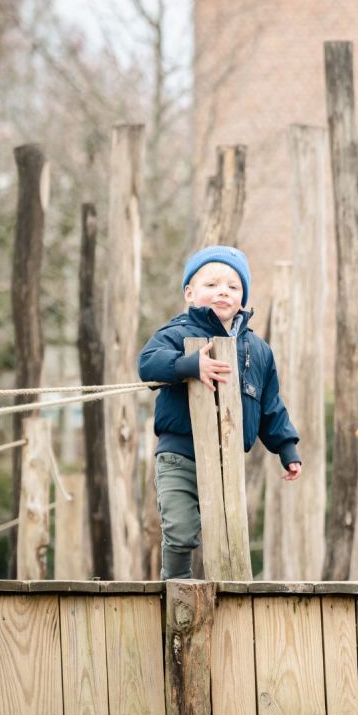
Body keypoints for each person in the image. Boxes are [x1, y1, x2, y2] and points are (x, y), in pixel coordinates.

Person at [138, 246, 302, 580]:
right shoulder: (176, 333)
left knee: (228, 535)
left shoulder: (257, 350)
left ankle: (232, 591)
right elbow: (147, 363)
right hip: (180, 455)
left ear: (243, 298)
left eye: (232, 286)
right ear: (190, 292)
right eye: (211, 285)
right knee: (181, 529)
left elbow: (271, 405)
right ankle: (176, 585)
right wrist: (187, 364)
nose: (222, 291)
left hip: (228, 460)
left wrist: (287, 448)